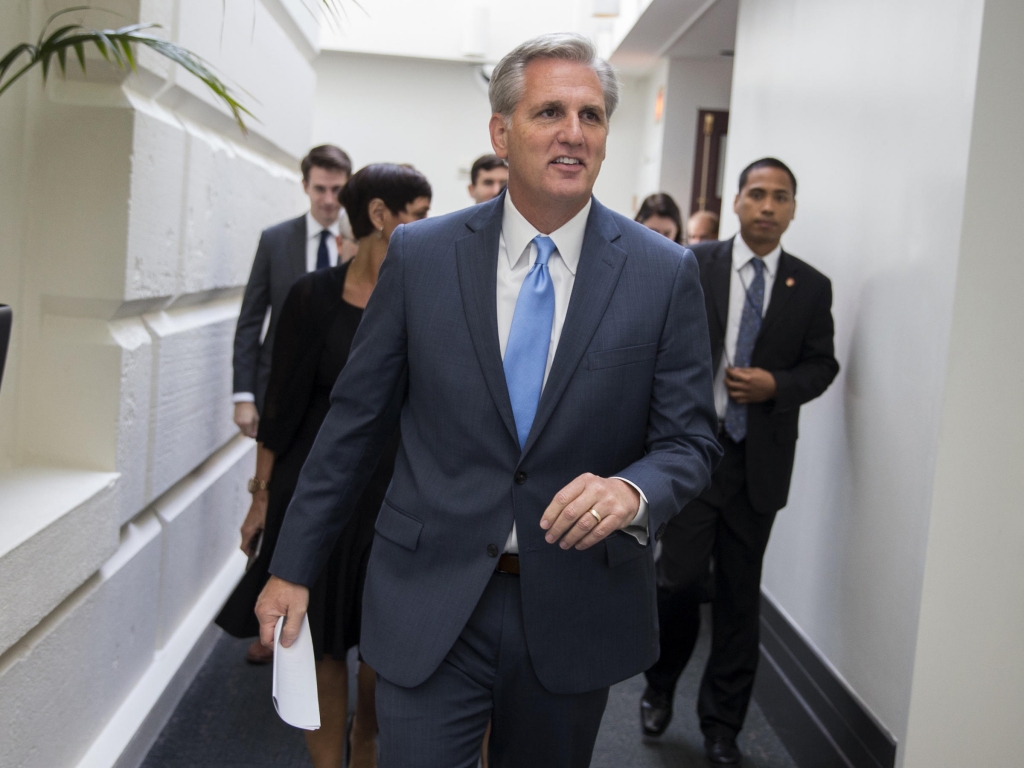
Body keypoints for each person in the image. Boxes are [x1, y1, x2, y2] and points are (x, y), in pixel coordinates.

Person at [255, 33, 721, 768]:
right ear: (501, 132)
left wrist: (633, 491)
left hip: (574, 604)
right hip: (430, 594)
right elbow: (352, 426)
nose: (574, 133)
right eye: (550, 113)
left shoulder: (664, 275)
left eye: (592, 116)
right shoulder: (422, 257)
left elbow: (691, 441)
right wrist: (292, 566)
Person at [217, 164, 431, 768]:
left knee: (381, 647)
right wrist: (261, 496)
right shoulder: (310, 297)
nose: (427, 223)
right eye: (417, 211)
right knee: (319, 643)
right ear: (381, 216)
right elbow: (280, 407)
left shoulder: (424, 298)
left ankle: (365, 738)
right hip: (316, 489)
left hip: (394, 492)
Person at [640, 157, 839, 765]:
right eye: (757, 194)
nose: (768, 207)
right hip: (695, 453)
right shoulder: (693, 265)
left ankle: (722, 724)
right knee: (675, 583)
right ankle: (658, 683)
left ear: (793, 209)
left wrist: (775, 385)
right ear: (736, 202)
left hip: (759, 462)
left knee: (738, 598)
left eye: (781, 197)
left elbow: (821, 366)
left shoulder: (810, 286)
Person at [232, 144, 354, 442]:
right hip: (277, 388)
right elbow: (250, 320)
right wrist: (243, 396)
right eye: (319, 189)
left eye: (337, 189)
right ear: (305, 186)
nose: (328, 199)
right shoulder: (275, 240)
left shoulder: (361, 242)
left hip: (339, 392)